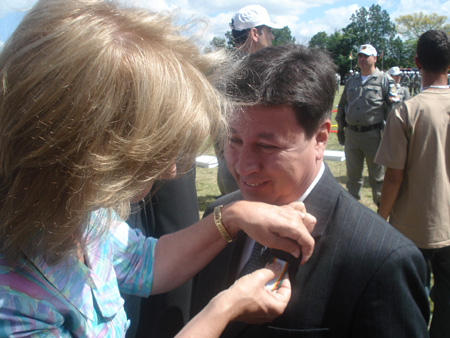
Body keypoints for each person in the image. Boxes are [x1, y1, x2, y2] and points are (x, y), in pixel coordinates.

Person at [0, 1, 317, 336]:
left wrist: (234, 215)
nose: (170, 170)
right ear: (86, 147)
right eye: (155, 151)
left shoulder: (75, 212)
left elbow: (143, 262)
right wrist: (225, 308)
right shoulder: (12, 301)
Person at [191, 44, 430, 337]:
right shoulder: (220, 216)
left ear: (319, 140)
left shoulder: (380, 260)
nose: (243, 165)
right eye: (234, 140)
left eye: (267, 146)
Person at [375, 30, 450, 338]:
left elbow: (394, 177)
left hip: (412, 227)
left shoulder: (407, 111)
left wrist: (380, 220)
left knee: (411, 302)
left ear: (416, 62)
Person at [216, 4, 283, 196]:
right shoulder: (257, 72)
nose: (271, 37)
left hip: (229, 165)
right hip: (251, 169)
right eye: (268, 31)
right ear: (255, 33)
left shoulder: (222, 68)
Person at [336, 44, 396, 207]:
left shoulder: (385, 80)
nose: (362, 59)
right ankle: (352, 214)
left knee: (378, 179)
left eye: (366, 56)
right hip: (352, 136)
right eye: (360, 56)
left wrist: (390, 139)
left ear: (375, 59)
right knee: (352, 178)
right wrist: (341, 128)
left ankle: (382, 213)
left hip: (374, 136)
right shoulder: (352, 80)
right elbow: (342, 106)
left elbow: (393, 112)